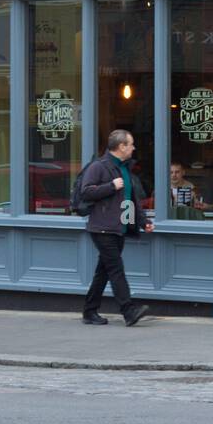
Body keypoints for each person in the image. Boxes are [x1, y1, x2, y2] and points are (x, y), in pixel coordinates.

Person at [78, 129, 153, 326]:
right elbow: (85, 192)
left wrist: (142, 221)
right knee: (116, 268)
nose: (134, 148)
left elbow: (131, 199)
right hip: (102, 227)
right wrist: (111, 186)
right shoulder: (99, 167)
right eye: (131, 144)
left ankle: (89, 311)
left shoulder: (124, 168)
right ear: (121, 147)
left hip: (119, 227)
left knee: (104, 271)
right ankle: (129, 310)